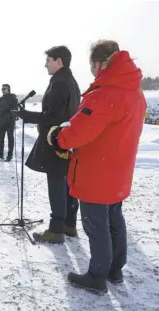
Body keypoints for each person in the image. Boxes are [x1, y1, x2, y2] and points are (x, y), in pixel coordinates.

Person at [47, 40, 147, 294]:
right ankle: (115, 269)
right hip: (119, 170)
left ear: (99, 63)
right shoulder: (134, 92)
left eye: (92, 65)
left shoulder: (105, 93)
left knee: (95, 224)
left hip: (96, 173)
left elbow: (79, 132)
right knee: (114, 219)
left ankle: (97, 276)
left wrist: (57, 137)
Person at [12, 46, 81, 243]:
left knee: (57, 184)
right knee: (67, 184)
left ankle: (56, 229)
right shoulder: (71, 81)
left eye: (49, 60)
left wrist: (27, 116)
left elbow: (54, 116)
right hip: (66, 140)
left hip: (57, 140)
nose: (45, 64)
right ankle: (69, 224)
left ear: (59, 61)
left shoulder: (59, 82)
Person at [0, 84, 19, 161]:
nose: (3, 90)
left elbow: (15, 110)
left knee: (10, 139)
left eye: (4, 89)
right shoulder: (1, 99)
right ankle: (0, 154)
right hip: (2, 122)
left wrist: (8, 116)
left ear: (8, 89)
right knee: (0, 138)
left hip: (10, 122)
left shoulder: (13, 98)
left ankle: (9, 155)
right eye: (2, 89)